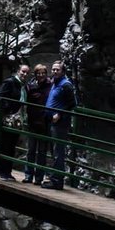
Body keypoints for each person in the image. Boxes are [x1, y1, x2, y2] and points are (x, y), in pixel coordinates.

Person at [42, 60, 76, 190]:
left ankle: (57, 181)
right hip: (52, 121)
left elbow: (72, 103)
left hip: (60, 123)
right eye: (53, 69)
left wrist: (59, 114)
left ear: (63, 72)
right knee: (54, 151)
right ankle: (54, 177)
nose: (55, 71)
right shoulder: (54, 82)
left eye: (58, 70)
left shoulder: (66, 85)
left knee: (58, 152)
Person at [0, 63, 30, 181]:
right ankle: (2, 172)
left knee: (11, 146)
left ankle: (8, 172)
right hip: (9, 119)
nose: (25, 74)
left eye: (27, 73)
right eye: (23, 72)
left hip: (18, 121)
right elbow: (0, 96)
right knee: (6, 145)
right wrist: (8, 109)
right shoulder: (10, 82)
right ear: (18, 71)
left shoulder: (24, 86)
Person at [23, 64, 51, 184]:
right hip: (33, 122)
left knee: (42, 152)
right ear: (35, 74)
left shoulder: (51, 85)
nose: (41, 75)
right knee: (31, 150)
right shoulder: (30, 86)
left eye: (43, 73)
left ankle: (39, 178)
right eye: (39, 73)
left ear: (46, 73)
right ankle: (28, 175)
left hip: (45, 123)